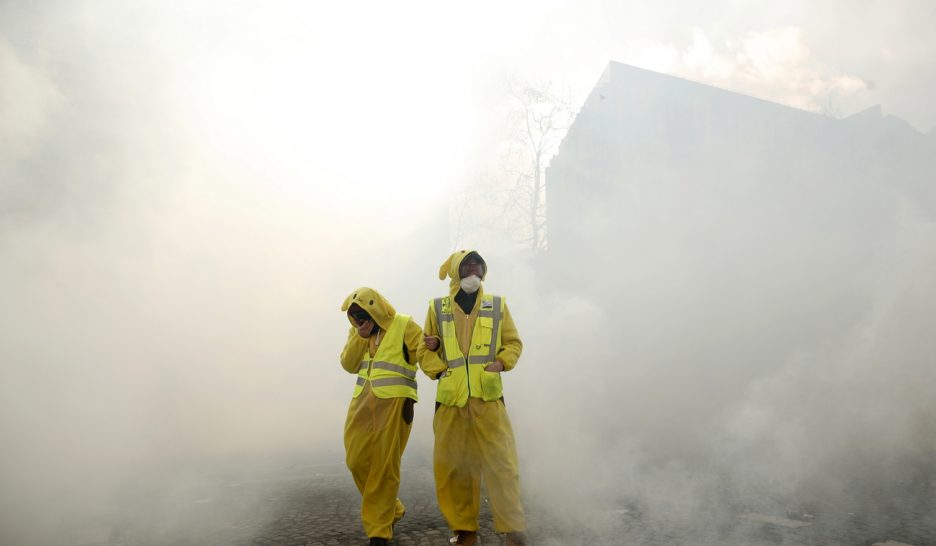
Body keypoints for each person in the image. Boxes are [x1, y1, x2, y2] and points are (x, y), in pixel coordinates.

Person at [418, 250, 529, 546]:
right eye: (467, 268)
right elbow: (423, 350)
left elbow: (513, 342)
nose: (473, 273)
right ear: (455, 272)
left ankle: (512, 529)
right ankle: (464, 530)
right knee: (454, 467)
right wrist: (438, 366)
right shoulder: (437, 307)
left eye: (478, 268)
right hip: (451, 402)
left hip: (488, 399)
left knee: (502, 464)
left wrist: (502, 363)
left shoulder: (497, 305)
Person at [340, 287, 423, 546]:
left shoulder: (404, 325)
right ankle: (392, 509)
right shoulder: (358, 332)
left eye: (362, 315)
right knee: (355, 461)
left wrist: (440, 369)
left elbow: (424, 351)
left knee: (385, 468)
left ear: (375, 309)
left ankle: (379, 532)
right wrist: (359, 336)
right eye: (354, 317)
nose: (358, 320)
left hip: (396, 405)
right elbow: (348, 364)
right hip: (362, 405)